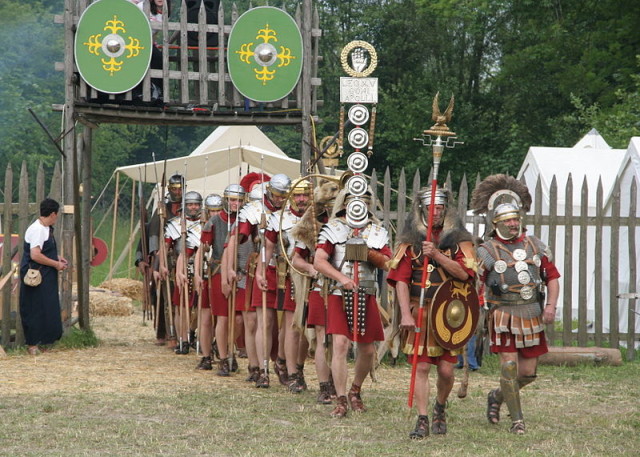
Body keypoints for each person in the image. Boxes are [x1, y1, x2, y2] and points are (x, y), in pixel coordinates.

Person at [471, 174, 560, 435]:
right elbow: (477, 283)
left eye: (515, 219)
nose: (513, 224)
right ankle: (517, 421)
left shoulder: (535, 246)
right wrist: (480, 305)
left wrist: (551, 306)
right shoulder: (487, 250)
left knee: (528, 373)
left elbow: (552, 278)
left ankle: (497, 396)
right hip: (502, 314)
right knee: (509, 367)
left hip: (531, 311)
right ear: (496, 222)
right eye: (508, 221)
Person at [387, 187, 477, 438]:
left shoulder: (459, 240)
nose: (435, 212)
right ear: (422, 209)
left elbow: (466, 274)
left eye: (439, 208)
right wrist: (405, 314)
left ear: (446, 210)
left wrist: (436, 255)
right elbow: (401, 280)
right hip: (421, 312)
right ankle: (423, 418)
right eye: (431, 208)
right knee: (422, 367)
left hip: (450, 313)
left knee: (447, 371)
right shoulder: (410, 241)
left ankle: (440, 406)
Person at [313, 190, 391, 418]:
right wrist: (341, 278)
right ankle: (340, 398)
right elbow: (318, 261)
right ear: (345, 205)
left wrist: (370, 254)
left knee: (367, 349)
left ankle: (355, 390)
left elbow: (389, 264)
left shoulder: (377, 231)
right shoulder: (334, 228)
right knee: (340, 344)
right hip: (338, 293)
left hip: (365, 292)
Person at [225, 173, 288, 388]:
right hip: (262, 270)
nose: (280, 200)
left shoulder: (291, 212)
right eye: (277, 195)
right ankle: (261, 369)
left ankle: (283, 363)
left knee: (289, 324)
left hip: (289, 271)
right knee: (263, 322)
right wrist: (229, 268)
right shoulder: (253, 211)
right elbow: (235, 239)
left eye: (283, 196)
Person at [255, 178, 311, 392]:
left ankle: (291, 368)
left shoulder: (314, 219)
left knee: (297, 326)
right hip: (278, 272)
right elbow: (267, 247)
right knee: (273, 323)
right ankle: (268, 369)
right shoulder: (278, 219)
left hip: (304, 274)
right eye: (297, 195)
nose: (301, 199)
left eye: (305, 194)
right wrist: (260, 271)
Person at [291, 179, 340, 403]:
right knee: (321, 337)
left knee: (340, 340)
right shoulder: (312, 222)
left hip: (343, 287)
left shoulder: (350, 222)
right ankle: (324, 386)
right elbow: (297, 258)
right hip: (320, 287)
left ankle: (338, 384)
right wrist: (312, 268)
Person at [198, 186, 245, 375]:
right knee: (223, 318)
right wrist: (197, 273)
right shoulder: (214, 222)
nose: (236, 203)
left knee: (240, 319)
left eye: (239, 200)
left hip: (242, 274)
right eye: (233, 200)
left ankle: (226, 347)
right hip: (218, 271)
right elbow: (203, 248)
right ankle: (224, 359)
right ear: (226, 200)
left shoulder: (246, 220)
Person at [19, 198, 67, 355]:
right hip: (36, 276)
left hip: (46, 276)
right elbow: (35, 255)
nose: (57, 217)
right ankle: (33, 344)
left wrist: (57, 256)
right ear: (53, 214)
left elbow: (45, 250)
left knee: (47, 308)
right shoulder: (37, 229)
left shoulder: (47, 228)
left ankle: (45, 342)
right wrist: (55, 264)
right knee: (35, 309)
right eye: (57, 214)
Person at [165, 190, 203, 354]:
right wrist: (162, 266)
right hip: (182, 268)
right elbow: (165, 247)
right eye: (190, 204)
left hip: (202, 269)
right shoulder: (175, 224)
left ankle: (195, 335)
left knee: (200, 307)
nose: (193, 207)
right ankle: (183, 339)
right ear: (184, 206)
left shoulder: (206, 224)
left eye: (196, 204)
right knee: (181, 307)